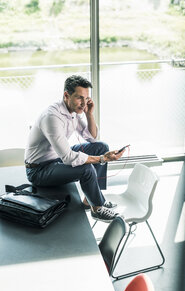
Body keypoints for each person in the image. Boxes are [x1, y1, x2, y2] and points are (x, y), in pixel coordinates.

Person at [25, 75, 125, 222]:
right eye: (79, 98)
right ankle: (97, 208)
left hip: (55, 159)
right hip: (39, 170)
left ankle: (89, 200)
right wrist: (103, 159)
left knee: (101, 147)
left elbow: (92, 138)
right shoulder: (52, 116)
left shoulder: (72, 111)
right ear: (67, 95)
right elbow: (68, 157)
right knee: (87, 168)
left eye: (86, 99)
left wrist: (89, 114)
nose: (84, 103)